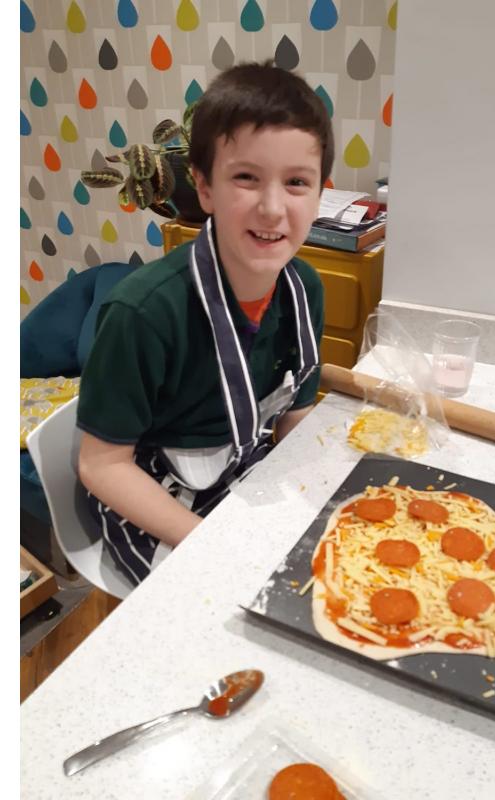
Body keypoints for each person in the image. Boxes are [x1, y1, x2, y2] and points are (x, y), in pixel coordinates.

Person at [76, 61, 334, 587]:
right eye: (246, 177)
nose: (272, 207)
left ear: (320, 192)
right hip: (158, 503)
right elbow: (102, 467)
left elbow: (294, 418)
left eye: (297, 183)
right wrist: (214, 546)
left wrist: (316, 503)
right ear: (205, 187)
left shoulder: (304, 289)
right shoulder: (143, 314)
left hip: (247, 474)